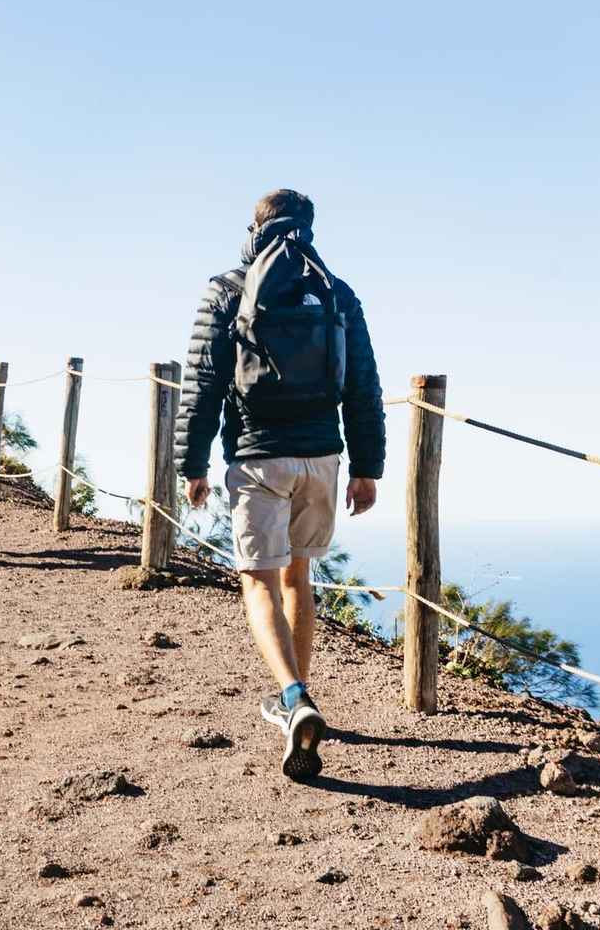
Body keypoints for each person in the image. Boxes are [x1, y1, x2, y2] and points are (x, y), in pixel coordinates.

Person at [174, 189, 385, 781]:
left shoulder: (226, 290)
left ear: (254, 227)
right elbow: (363, 387)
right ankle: (301, 694)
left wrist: (191, 466)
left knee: (259, 582)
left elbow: (203, 385)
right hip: (322, 458)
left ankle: (292, 698)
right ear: (311, 228)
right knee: (299, 578)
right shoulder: (337, 293)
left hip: (258, 458)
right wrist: (368, 467)